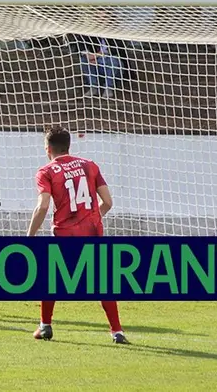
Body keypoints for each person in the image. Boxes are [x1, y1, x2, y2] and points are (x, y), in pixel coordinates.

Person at [26, 126, 129, 344]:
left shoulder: (46, 171)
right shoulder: (89, 165)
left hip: (65, 233)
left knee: (50, 277)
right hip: (92, 231)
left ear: (48, 149)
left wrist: (30, 236)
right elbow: (108, 202)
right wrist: (91, 216)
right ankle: (117, 331)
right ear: (69, 146)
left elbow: (43, 206)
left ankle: (45, 326)